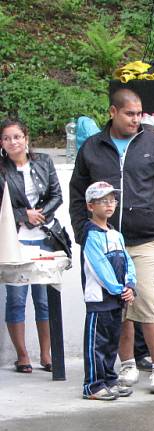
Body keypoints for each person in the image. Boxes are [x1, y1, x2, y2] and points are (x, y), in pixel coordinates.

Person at [69, 88, 154, 395]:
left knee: (151, 301)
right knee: (115, 305)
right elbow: (76, 193)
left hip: (148, 239)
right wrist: (85, 233)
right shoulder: (92, 148)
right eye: (129, 114)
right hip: (105, 240)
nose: (136, 119)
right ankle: (127, 364)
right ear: (112, 112)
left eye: (139, 114)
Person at [0, 117, 62, 374]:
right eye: (6, 138)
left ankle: (46, 355)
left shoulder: (44, 162)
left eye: (17, 136)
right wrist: (24, 215)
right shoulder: (1, 169)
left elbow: (56, 195)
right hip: (15, 238)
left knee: (44, 299)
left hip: (45, 237)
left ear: (26, 138)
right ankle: (22, 355)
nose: (13, 142)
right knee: (16, 299)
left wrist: (41, 215)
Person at [80, 182, 136, 400]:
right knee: (97, 342)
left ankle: (110, 379)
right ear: (90, 206)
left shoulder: (115, 233)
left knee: (112, 340)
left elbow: (127, 260)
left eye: (112, 200)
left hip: (117, 298)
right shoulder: (90, 234)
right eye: (103, 201)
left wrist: (130, 285)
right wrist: (117, 289)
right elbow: (99, 266)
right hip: (100, 298)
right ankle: (93, 385)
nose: (109, 205)